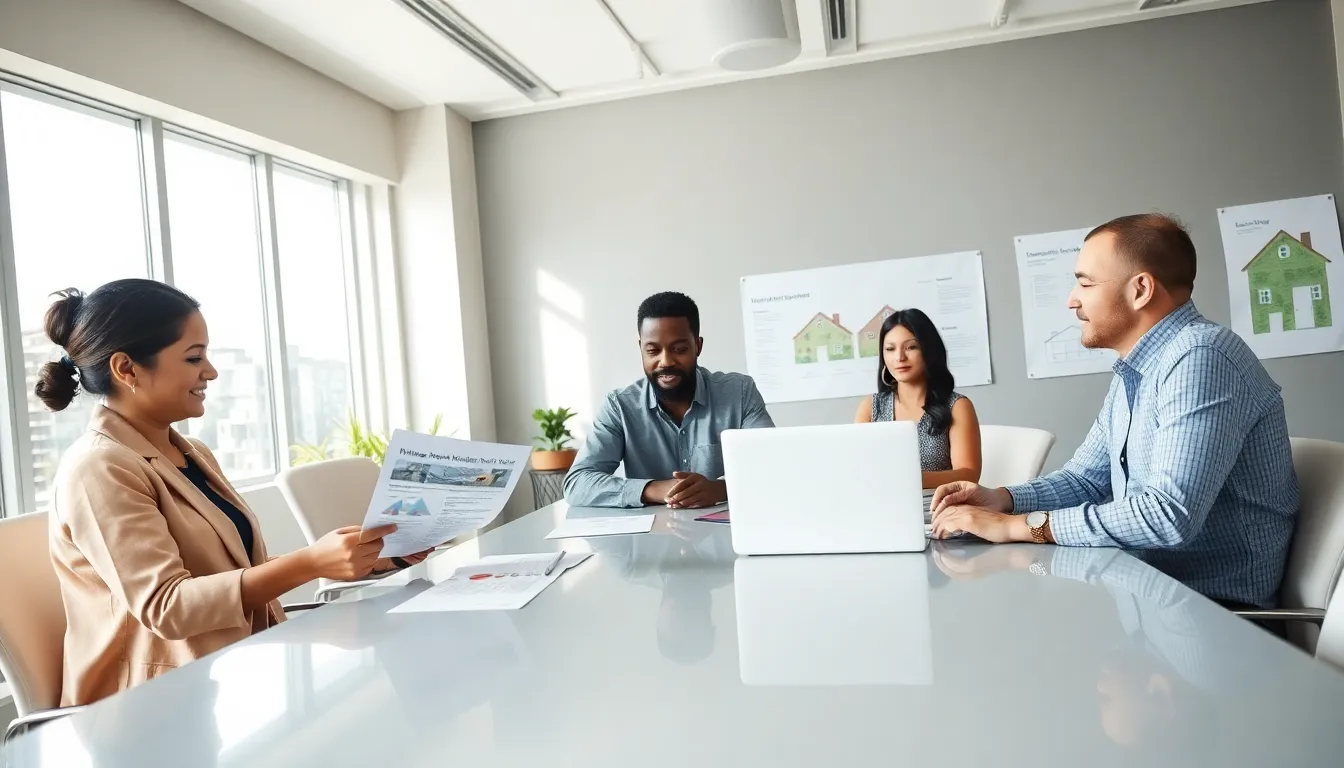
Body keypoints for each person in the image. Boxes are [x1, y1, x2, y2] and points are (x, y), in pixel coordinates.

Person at [40, 279, 430, 706]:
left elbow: (236, 571)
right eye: (194, 357)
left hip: (226, 671)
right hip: (146, 706)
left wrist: (362, 556)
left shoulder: (190, 453)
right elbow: (167, 607)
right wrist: (309, 562)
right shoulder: (98, 468)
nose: (210, 371)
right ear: (127, 369)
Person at [929, 213, 1298, 608]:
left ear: (1140, 289)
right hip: (1149, 596)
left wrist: (1017, 527)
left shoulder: (1200, 356)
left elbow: (1167, 515)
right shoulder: (1136, 371)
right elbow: (1086, 480)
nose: (1071, 299)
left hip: (1217, 616)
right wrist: (1001, 499)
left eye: (1085, 283)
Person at [563, 291, 774, 509]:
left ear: (698, 347)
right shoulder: (620, 407)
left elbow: (772, 466)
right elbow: (577, 483)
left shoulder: (739, 393)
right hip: (650, 538)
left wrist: (720, 489)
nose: (665, 361)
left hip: (725, 537)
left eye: (679, 349)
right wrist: (654, 489)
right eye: (653, 351)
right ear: (641, 350)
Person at [853, 308, 982, 488]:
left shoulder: (957, 406)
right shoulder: (871, 407)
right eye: (890, 349)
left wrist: (909, 479)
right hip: (883, 506)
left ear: (929, 350)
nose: (899, 357)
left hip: (940, 508)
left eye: (911, 347)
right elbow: (856, 468)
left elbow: (969, 475)